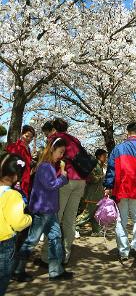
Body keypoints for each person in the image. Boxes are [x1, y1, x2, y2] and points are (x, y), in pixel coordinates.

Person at [14, 138, 73, 282]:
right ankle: (17, 270)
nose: (61, 156)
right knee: (33, 240)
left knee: (54, 238)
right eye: (60, 152)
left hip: (48, 209)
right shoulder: (46, 166)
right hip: (43, 209)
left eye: (63, 153)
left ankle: (55, 271)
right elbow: (50, 185)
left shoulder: (48, 166)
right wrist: (63, 178)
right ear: (52, 150)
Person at [104, 122, 136, 268]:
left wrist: (108, 186)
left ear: (128, 133)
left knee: (121, 220)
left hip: (121, 189)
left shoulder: (118, 148)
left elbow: (111, 169)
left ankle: (123, 252)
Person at [41, 118, 86, 265]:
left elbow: (48, 159)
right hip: (80, 181)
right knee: (70, 220)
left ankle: (47, 257)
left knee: (54, 218)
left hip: (64, 180)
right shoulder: (75, 139)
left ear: (54, 128)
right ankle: (65, 256)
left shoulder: (54, 139)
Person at [0, 153, 32, 295]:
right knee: (3, 276)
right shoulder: (13, 195)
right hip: (4, 242)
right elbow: (18, 223)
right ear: (15, 176)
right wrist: (29, 218)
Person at [76, 148, 107, 237]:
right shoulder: (94, 165)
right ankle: (74, 226)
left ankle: (96, 230)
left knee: (95, 214)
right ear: (99, 156)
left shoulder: (101, 166)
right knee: (87, 213)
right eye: (104, 156)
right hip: (91, 194)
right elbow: (90, 178)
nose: (105, 158)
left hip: (97, 194)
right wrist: (100, 177)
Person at [6, 125, 36, 198]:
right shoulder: (15, 147)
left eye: (31, 138)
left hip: (25, 182)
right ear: (21, 134)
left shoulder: (28, 149)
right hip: (16, 183)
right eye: (26, 136)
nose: (29, 139)